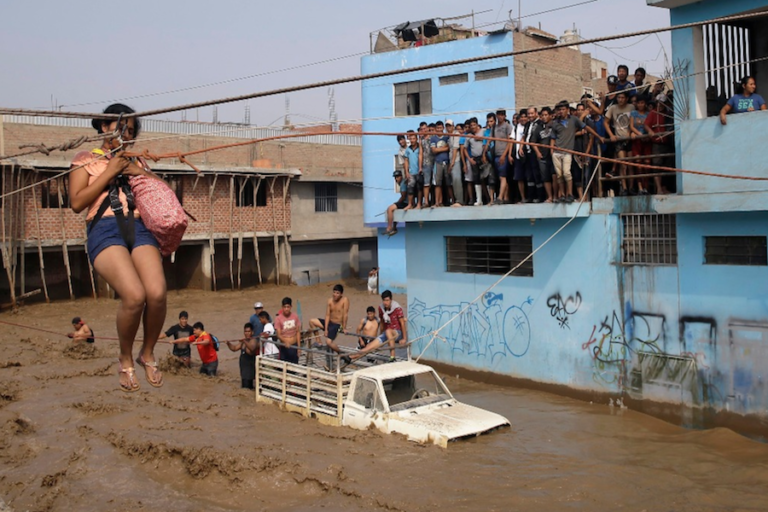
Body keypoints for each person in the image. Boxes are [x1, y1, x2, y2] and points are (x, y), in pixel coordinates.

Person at [69, 103, 165, 393]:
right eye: (121, 128)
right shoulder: (86, 158)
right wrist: (110, 171)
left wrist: (137, 170)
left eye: (131, 131)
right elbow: (76, 202)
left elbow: (161, 192)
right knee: (134, 296)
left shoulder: (138, 162)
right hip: (105, 228)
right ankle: (124, 357)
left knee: (157, 293)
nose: (127, 135)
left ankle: (146, 353)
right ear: (104, 126)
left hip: (139, 226)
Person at [343, 290, 406, 364]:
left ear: (391, 300)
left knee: (388, 331)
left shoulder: (397, 308)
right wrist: (380, 337)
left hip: (397, 333)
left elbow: (402, 323)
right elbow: (382, 323)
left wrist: (404, 338)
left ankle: (392, 357)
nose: (385, 302)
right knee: (369, 346)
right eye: (384, 300)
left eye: (387, 300)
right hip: (386, 333)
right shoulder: (381, 308)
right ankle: (350, 357)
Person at [550, 100, 585, 203]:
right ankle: (563, 195)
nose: (561, 111)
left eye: (563, 109)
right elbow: (553, 137)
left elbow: (584, 127)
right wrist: (552, 150)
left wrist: (598, 137)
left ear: (568, 110)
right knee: (559, 175)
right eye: (559, 109)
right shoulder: (556, 123)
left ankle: (569, 194)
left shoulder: (573, 120)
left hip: (567, 152)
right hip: (557, 151)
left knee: (566, 173)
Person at [604, 91, 636, 196]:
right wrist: (611, 135)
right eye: (619, 97)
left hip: (630, 139)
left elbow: (634, 122)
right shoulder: (613, 108)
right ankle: (624, 188)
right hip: (619, 139)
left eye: (622, 97)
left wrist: (631, 132)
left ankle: (631, 187)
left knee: (631, 165)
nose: (620, 99)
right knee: (623, 164)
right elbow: (605, 122)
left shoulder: (631, 107)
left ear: (626, 98)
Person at [309, 284, 349, 355]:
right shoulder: (330, 301)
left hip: (337, 325)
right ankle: (319, 342)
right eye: (334, 292)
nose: (335, 295)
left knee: (328, 342)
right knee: (312, 321)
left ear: (341, 294)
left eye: (337, 293)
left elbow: (345, 314)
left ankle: (341, 353)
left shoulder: (345, 300)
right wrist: (326, 329)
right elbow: (327, 315)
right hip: (329, 323)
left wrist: (344, 327)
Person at [530, 107, 555, 203]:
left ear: (550, 115)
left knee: (555, 176)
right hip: (543, 157)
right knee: (545, 177)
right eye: (542, 115)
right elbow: (532, 142)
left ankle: (556, 196)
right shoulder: (538, 127)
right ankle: (550, 197)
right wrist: (537, 152)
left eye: (546, 115)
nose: (544, 117)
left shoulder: (554, 125)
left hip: (553, 155)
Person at [630, 95, 652, 195]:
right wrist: (639, 134)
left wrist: (646, 135)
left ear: (645, 104)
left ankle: (646, 187)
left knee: (647, 164)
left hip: (647, 141)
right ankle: (639, 187)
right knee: (638, 164)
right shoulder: (633, 113)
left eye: (642, 103)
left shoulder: (649, 114)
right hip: (637, 141)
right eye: (638, 103)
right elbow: (631, 126)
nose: (640, 105)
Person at [227, 323, 259, 389]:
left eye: (248, 331)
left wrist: (244, 341)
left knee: (247, 388)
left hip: (249, 370)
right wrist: (228, 343)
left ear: (252, 332)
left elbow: (252, 349)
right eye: (245, 331)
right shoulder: (243, 342)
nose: (246, 333)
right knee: (244, 387)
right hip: (243, 370)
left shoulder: (253, 340)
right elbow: (234, 348)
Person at [493, 109, 513, 204]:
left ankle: (500, 197)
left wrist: (505, 155)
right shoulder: (495, 127)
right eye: (498, 115)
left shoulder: (508, 127)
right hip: (496, 154)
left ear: (505, 116)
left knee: (502, 177)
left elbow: (510, 142)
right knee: (501, 177)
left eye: (502, 115)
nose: (500, 117)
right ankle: (506, 197)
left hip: (503, 154)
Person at [430, 121, 451, 207]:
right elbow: (434, 150)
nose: (439, 129)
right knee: (437, 183)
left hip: (447, 162)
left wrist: (440, 149)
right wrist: (444, 148)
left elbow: (449, 147)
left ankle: (452, 200)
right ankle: (438, 202)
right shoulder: (433, 138)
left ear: (443, 128)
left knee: (448, 183)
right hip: (437, 162)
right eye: (437, 128)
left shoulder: (447, 137)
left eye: (440, 128)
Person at [274, 297, 301, 363]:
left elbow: (298, 332)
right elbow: (279, 334)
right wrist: (285, 341)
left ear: (291, 307)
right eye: (285, 307)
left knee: (295, 367)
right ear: (282, 307)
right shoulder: (278, 319)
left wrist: (299, 347)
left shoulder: (295, 316)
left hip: (294, 345)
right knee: (285, 368)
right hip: (285, 347)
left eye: (288, 307)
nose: (286, 309)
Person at [384, 170, 407, 236]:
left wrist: (398, 202)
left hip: (405, 202)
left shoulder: (403, 184)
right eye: (395, 177)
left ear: (401, 176)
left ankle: (389, 227)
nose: (396, 179)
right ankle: (394, 227)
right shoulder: (402, 183)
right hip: (404, 202)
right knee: (394, 210)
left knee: (390, 209)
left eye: (397, 177)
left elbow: (403, 196)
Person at [402, 130, 421, 210]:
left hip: (419, 171)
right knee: (410, 188)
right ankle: (410, 204)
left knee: (419, 188)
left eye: (414, 138)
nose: (412, 140)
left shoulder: (420, 148)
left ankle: (419, 203)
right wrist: (406, 172)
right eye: (411, 139)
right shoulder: (408, 150)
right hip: (411, 172)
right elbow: (406, 161)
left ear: (416, 139)